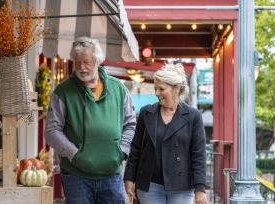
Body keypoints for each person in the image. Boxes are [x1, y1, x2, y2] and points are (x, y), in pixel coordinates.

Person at [45, 36, 136, 204]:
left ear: (98, 61)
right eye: (77, 62)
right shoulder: (63, 92)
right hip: (76, 176)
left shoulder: (119, 89)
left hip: (112, 175)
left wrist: (121, 151)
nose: (81, 67)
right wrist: (74, 154)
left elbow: (131, 124)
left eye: (86, 62)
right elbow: (51, 131)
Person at [124, 63, 208, 204]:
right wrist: (129, 178)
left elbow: (198, 154)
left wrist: (200, 189)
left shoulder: (193, 116)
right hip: (149, 185)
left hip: (181, 187)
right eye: (155, 88)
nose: (156, 93)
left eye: (161, 89)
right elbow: (136, 148)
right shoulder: (146, 113)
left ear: (175, 89)